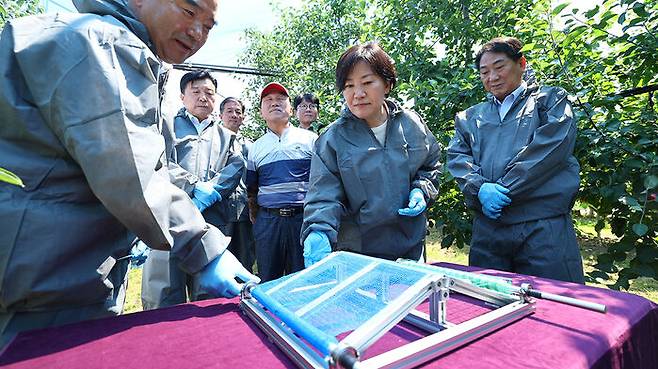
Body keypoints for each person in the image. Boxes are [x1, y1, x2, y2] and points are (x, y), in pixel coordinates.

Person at [0, 0, 257, 347]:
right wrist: (203, 248)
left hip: (47, 263)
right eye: (188, 11)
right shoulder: (104, 42)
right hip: (47, 276)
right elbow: (131, 170)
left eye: (209, 26)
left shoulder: (83, 35)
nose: (197, 32)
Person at [446, 36, 584, 283]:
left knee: (551, 305)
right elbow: (457, 157)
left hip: (541, 225)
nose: (492, 77)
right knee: (488, 302)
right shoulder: (469, 117)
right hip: (489, 227)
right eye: (484, 72)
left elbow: (550, 149)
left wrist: (503, 188)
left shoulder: (550, 101)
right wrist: (480, 188)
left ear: (521, 63)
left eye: (499, 67)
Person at [301, 42, 441, 266]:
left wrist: (421, 190)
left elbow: (430, 164)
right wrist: (318, 230)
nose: (358, 94)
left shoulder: (411, 124)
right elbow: (323, 194)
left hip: (410, 246)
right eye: (348, 86)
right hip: (358, 253)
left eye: (367, 82)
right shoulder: (333, 138)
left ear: (387, 84)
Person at [141, 71, 246, 309]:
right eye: (196, 92)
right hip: (169, 223)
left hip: (211, 223)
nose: (202, 98)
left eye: (209, 93)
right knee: (164, 294)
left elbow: (235, 166)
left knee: (208, 298)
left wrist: (211, 193)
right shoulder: (166, 127)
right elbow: (160, 162)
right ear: (182, 96)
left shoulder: (227, 136)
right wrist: (193, 185)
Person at [246, 82, 318, 282]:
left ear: (291, 109)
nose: (274, 103)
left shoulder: (311, 140)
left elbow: (322, 184)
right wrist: (259, 222)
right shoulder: (255, 147)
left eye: (280, 99)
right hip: (269, 223)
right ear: (261, 111)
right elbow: (251, 190)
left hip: (302, 221)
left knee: (304, 281)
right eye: (268, 100)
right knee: (268, 280)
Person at [218, 97, 256, 273]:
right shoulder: (212, 142)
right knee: (218, 262)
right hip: (217, 212)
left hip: (243, 213)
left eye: (238, 112)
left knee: (244, 262)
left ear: (243, 117)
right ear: (220, 115)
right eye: (229, 111)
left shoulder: (249, 146)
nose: (234, 115)